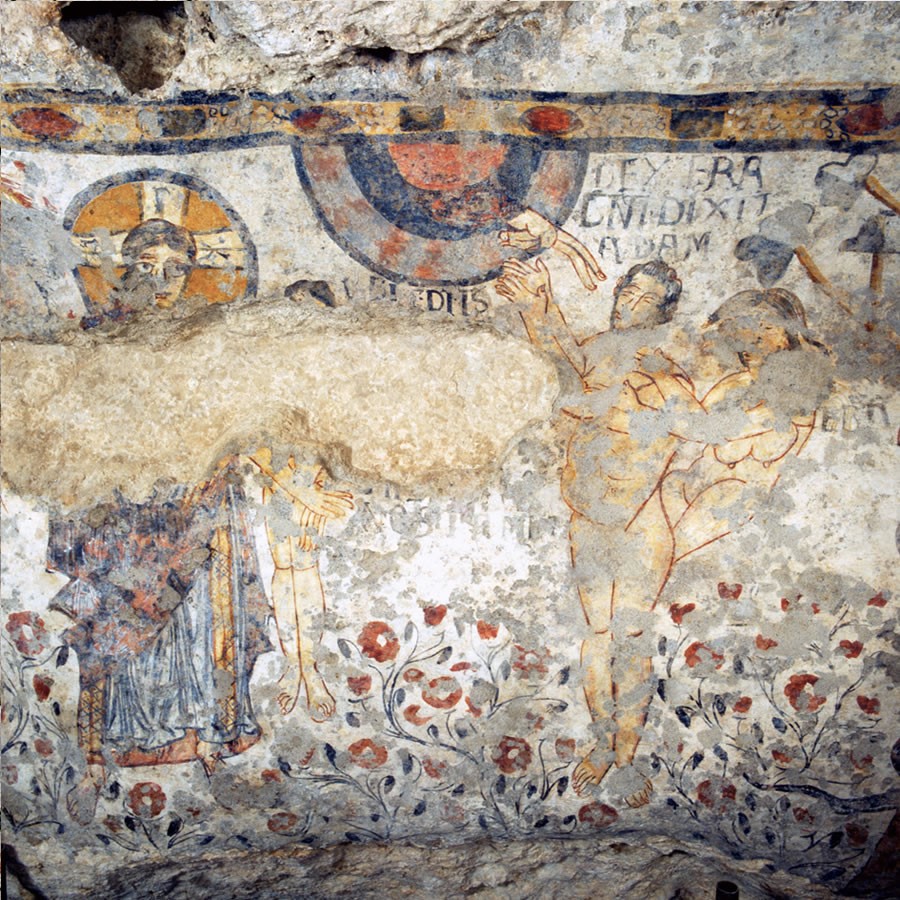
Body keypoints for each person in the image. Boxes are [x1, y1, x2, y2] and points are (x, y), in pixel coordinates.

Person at [247, 450, 354, 720]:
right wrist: (302, 493)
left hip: (313, 471)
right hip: (280, 474)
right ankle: (294, 664)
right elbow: (258, 448)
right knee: (284, 563)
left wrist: (313, 492)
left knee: (304, 564)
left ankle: (309, 667)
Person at [81, 218, 197, 328]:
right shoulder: (103, 322)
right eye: (145, 266)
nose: (161, 280)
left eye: (176, 268)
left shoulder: (196, 324)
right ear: (130, 270)